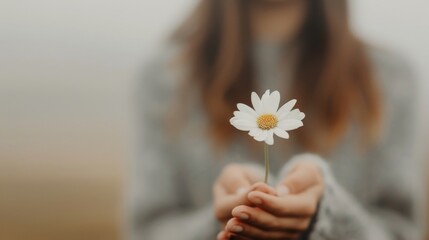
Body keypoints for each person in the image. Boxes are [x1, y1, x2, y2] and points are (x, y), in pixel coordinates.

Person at [128, 0, 425, 239]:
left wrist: (329, 215)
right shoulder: (166, 77)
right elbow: (146, 231)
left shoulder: (390, 78)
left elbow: (401, 231)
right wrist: (231, 221)